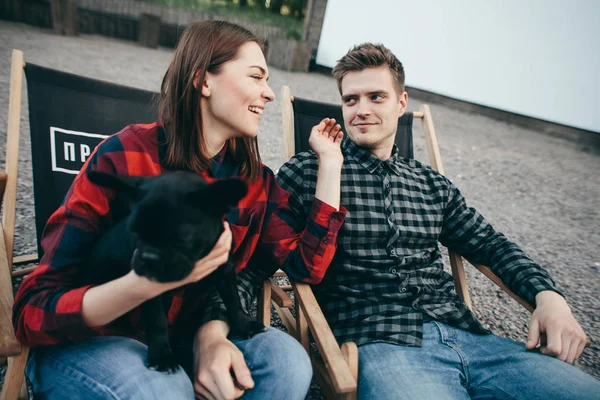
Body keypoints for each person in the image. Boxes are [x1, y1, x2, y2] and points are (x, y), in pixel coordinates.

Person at [13, 20, 348, 400]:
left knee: (286, 361)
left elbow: (307, 267)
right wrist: (143, 285)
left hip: (182, 339)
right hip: (90, 340)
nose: (269, 93)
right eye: (256, 77)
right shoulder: (125, 156)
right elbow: (31, 312)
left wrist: (330, 164)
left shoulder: (251, 182)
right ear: (203, 81)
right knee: (164, 387)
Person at [276, 43, 600, 399]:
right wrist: (329, 169)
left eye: (376, 97)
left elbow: (490, 244)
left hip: (473, 341)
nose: (361, 110)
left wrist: (548, 295)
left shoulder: (431, 184)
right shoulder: (310, 170)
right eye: (351, 100)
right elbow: (289, 263)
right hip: (384, 343)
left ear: (402, 103)